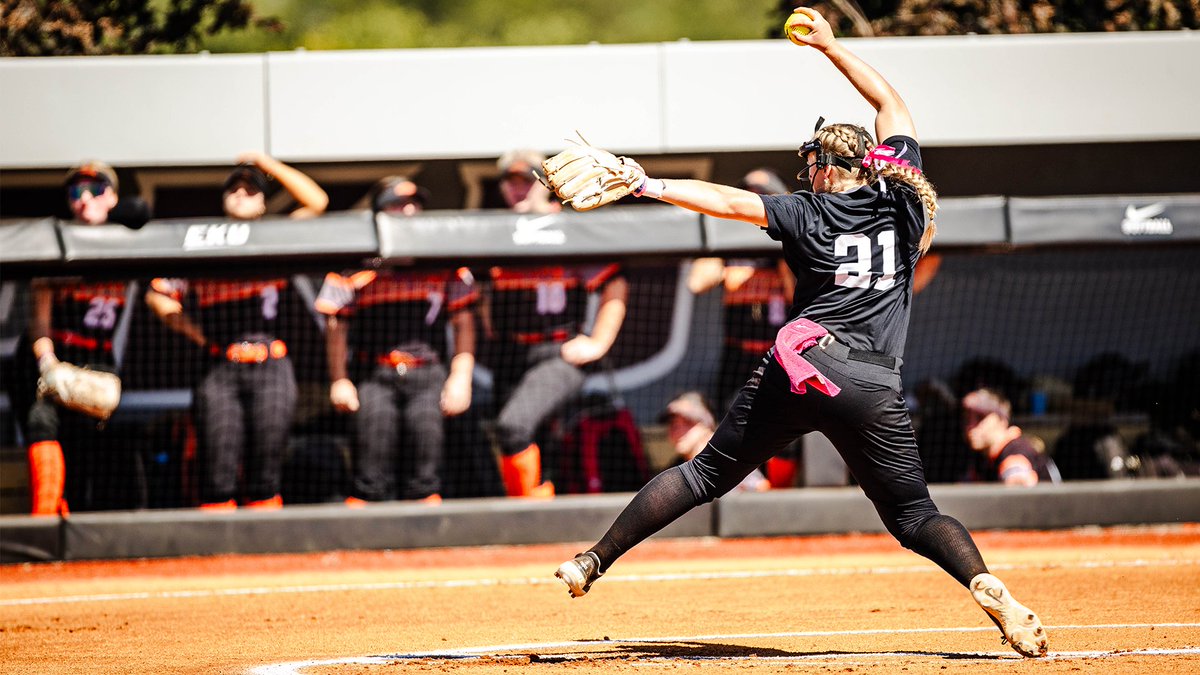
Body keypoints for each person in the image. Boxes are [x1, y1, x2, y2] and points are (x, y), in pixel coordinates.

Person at [553, 7, 1047, 659]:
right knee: (914, 515)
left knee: (704, 474)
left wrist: (645, 181)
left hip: (803, 366)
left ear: (826, 167)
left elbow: (727, 201)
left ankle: (593, 559)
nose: (807, 169)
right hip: (872, 382)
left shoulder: (806, 211)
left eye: (813, 160)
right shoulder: (901, 200)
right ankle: (983, 579)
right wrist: (832, 48)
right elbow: (889, 100)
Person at [145, 153, 328, 510]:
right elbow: (158, 294)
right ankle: (217, 557)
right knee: (217, 467)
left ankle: (264, 554)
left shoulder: (276, 239)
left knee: (266, 467)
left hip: (271, 365)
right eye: (235, 189)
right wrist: (190, 328)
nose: (242, 195)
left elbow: (317, 202)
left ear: (263, 203)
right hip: (219, 367)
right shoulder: (203, 244)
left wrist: (267, 164)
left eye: (251, 191)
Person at [315, 176, 475, 505]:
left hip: (429, 372)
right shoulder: (355, 265)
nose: (409, 210)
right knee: (370, 461)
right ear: (379, 211)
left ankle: (428, 547)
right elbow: (336, 327)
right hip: (376, 374)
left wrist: (461, 377)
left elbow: (464, 323)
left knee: (426, 461)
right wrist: (339, 380)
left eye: (414, 203)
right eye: (399, 203)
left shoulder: (444, 261)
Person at [482, 149, 629, 497]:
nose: (516, 189)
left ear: (544, 184)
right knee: (534, 438)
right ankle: (539, 513)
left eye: (525, 181)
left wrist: (598, 343)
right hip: (511, 352)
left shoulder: (568, 226)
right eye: (509, 181)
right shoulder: (495, 231)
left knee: (513, 427)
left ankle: (525, 512)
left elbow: (614, 283)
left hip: (558, 351)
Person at [9, 161, 135, 514]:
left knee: (87, 441)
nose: (84, 199)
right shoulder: (57, 242)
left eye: (94, 190)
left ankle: (76, 523)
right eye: (75, 192)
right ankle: (44, 518)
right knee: (42, 422)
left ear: (111, 197)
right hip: (47, 355)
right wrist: (49, 365)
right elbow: (40, 320)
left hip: (95, 358)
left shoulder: (129, 243)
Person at [660, 391, 769, 492]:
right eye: (673, 425)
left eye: (687, 422)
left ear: (706, 425)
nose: (678, 431)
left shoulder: (727, 456)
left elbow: (762, 488)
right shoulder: (674, 471)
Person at [961, 388, 1058, 486]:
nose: (971, 426)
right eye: (967, 419)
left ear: (1002, 420)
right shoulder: (982, 460)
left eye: (980, 418)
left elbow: (1017, 482)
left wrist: (1016, 479)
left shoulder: (1017, 450)